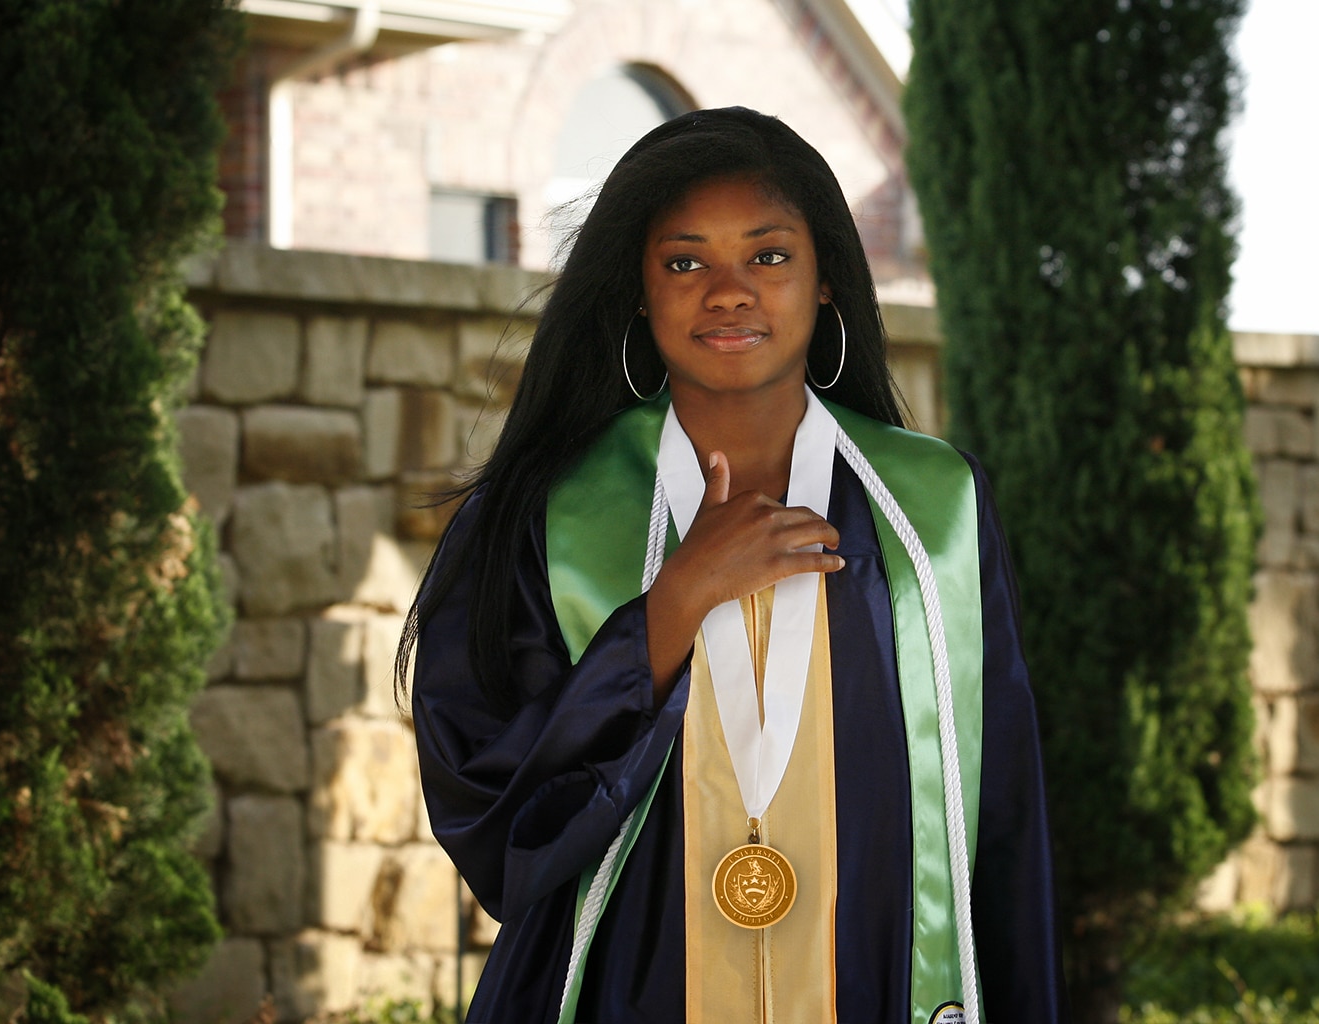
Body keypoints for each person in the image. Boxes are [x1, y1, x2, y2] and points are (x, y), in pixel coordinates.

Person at [401, 106, 1058, 1023]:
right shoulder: (540, 515)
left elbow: (1003, 817)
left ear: (827, 277)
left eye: (769, 256)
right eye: (684, 262)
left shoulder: (931, 510)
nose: (729, 291)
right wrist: (671, 610)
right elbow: (489, 808)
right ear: (637, 288)